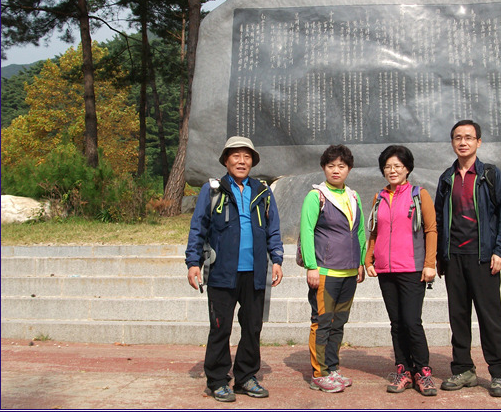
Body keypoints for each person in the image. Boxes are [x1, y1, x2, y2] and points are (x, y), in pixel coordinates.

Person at [185, 136, 284, 403]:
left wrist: (277, 259)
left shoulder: (263, 192)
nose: (242, 161)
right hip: (221, 272)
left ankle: (246, 377)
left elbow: (273, 229)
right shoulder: (213, 190)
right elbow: (198, 227)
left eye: (247, 157)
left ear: (252, 162)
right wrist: (193, 263)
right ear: (226, 160)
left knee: (252, 327)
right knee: (220, 328)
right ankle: (217, 380)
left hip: (255, 272)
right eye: (236, 156)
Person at [434, 120, 501, 398]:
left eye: (469, 137)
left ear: (478, 142)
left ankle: (499, 373)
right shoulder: (447, 178)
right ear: (452, 143)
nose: (463, 142)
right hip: (454, 257)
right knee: (458, 317)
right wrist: (439, 256)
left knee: (490, 317)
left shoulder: (490, 174)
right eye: (458, 137)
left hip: (483, 258)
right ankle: (463, 369)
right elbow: (439, 218)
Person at [365, 145, 438, 396]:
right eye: (387, 166)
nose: (392, 170)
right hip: (386, 270)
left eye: (397, 166)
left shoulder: (419, 194)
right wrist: (369, 259)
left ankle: (423, 371)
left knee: (411, 322)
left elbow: (431, 229)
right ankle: (403, 370)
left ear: (407, 168)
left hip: (412, 268)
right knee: (396, 323)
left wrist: (430, 264)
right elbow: (374, 230)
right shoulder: (379, 197)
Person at [299, 144, 366, 393]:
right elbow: (306, 231)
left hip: (349, 271)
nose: (336, 170)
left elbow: (360, 230)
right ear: (323, 168)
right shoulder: (316, 196)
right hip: (325, 272)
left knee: (338, 323)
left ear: (349, 169)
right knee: (322, 322)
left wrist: (360, 262)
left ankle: (333, 367)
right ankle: (320, 373)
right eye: (331, 166)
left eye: (341, 166)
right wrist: (311, 266)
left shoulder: (354, 196)